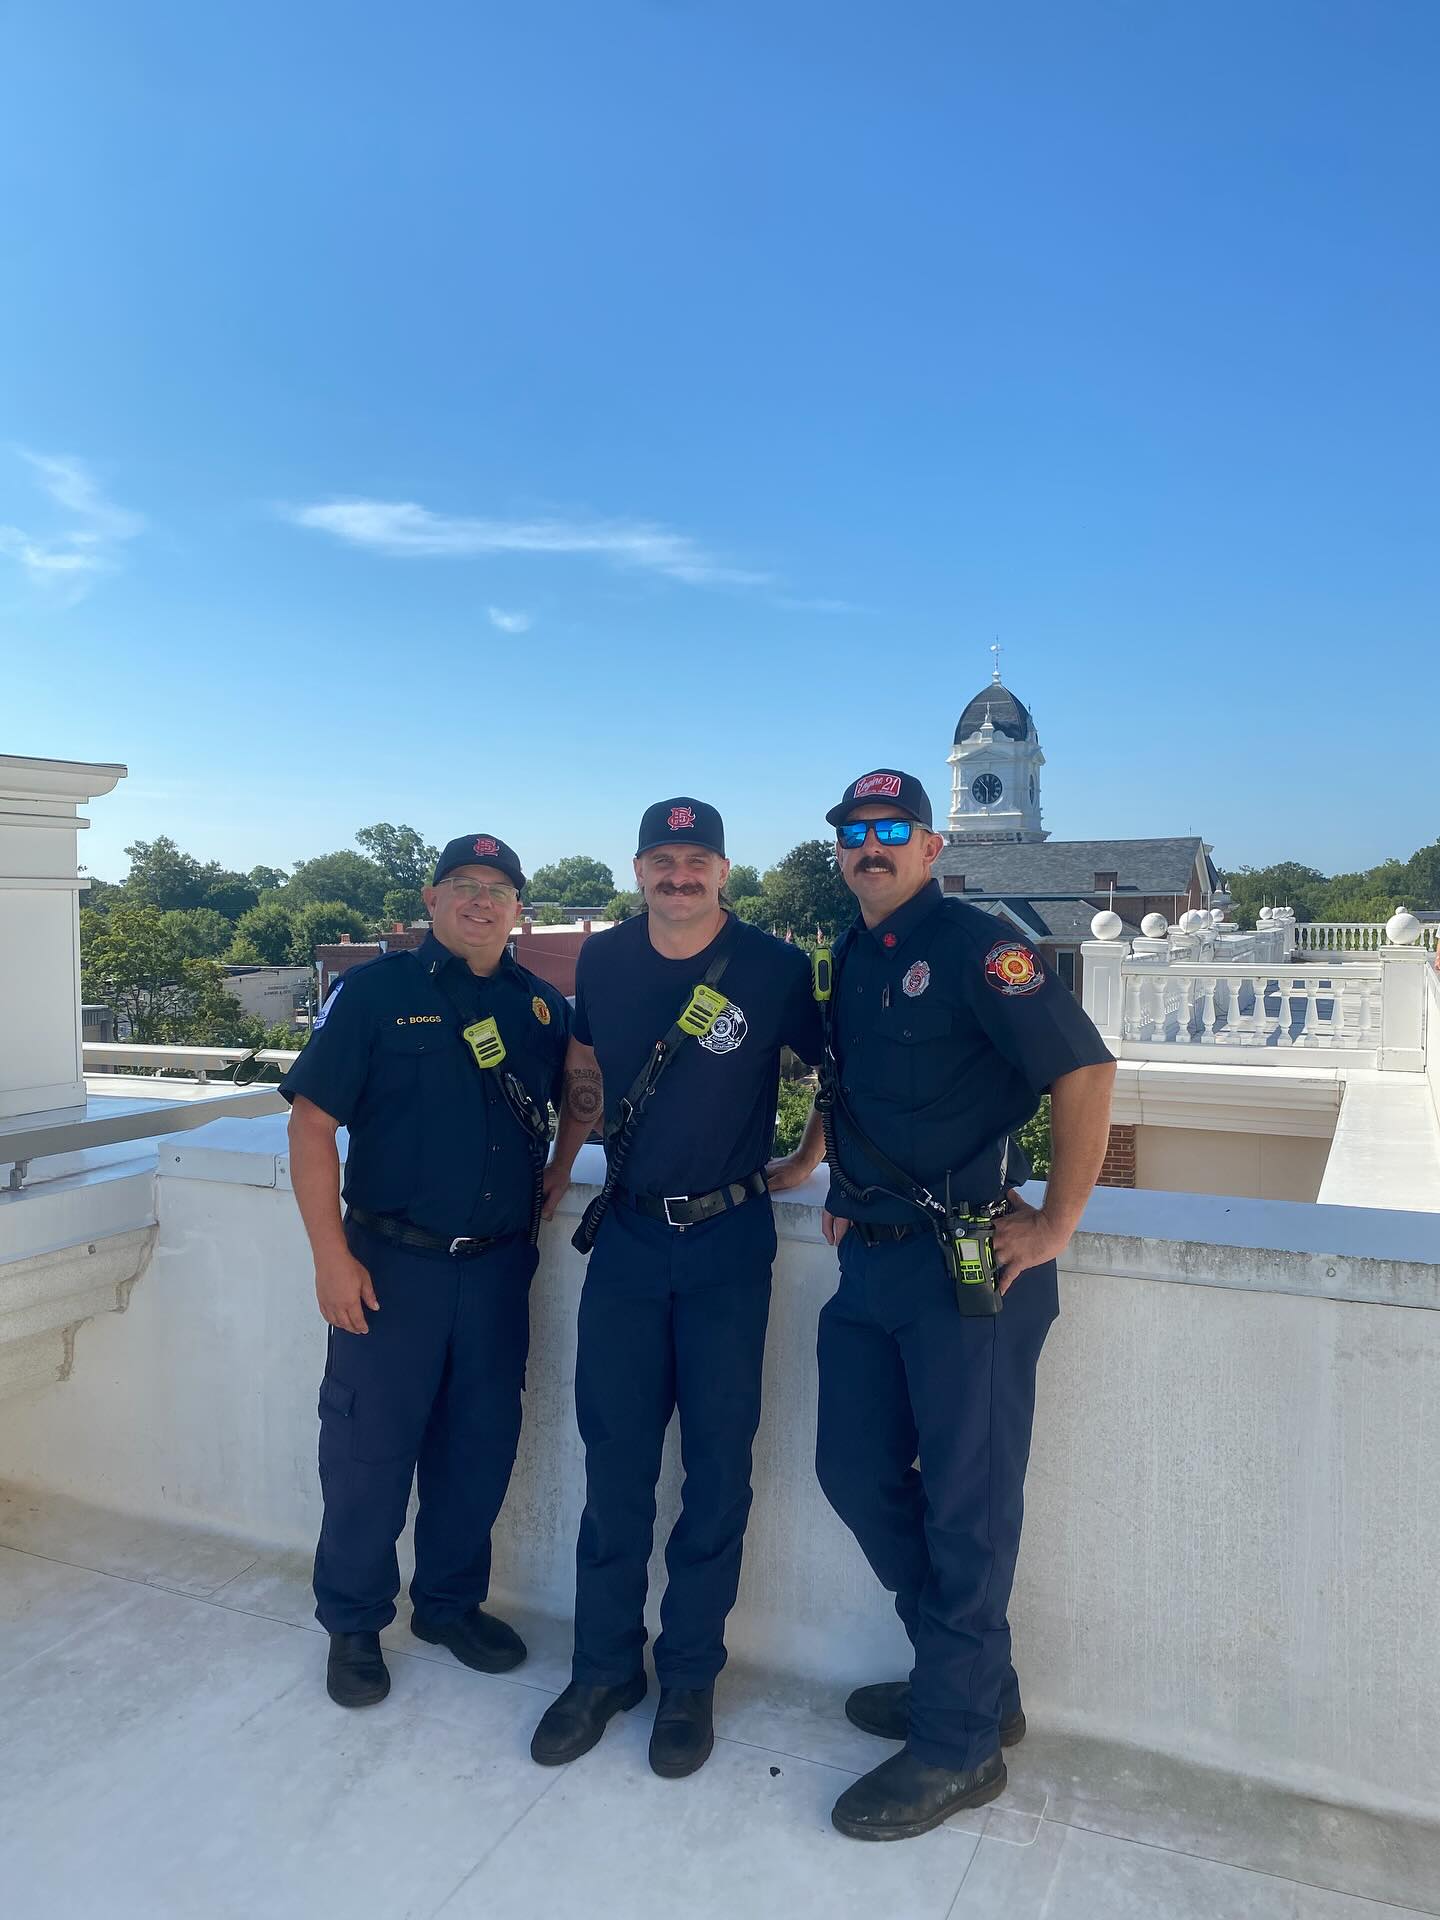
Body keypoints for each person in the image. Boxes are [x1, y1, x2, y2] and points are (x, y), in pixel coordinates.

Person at [768, 769, 1115, 1841]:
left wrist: (1054, 1225)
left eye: (889, 831)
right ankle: (971, 1680)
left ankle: (960, 1745)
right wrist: (823, 1171)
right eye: (853, 834)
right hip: (873, 1257)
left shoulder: (979, 945)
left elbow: (1087, 1073)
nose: (869, 848)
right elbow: (852, 1085)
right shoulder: (851, 957)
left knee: (968, 1505)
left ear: (928, 844)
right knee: (852, 1469)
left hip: (973, 1265)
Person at [530, 798, 822, 1779]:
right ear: (639, 869)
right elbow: (585, 1071)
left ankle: (689, 1676)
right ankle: (604, 1668)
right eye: (664, 859)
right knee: (613, 1465)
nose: (680, 875)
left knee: (717, 1471)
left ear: (724, 873)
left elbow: (841, 1069)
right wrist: (561, 1161)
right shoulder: (604, 960)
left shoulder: (776, 967)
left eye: (698, 860)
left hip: (729, 1246)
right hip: (626, 1241)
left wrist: (808, 1155)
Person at [283, 833, 569, 1709]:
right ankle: (355, 1624)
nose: (483, 901)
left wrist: (567, 1163)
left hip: (494, 1273)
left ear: (519, 909)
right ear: (433, 898)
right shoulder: (374, 993)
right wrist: (331, 1257)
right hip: (388, 1269)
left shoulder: (537, 1007)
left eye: (500, 889)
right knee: (368, 1455)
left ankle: (447, 1606)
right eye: (465, 885)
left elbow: (580, 1090)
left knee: (476, 1451)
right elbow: (310, 1128)